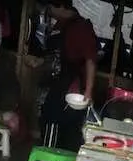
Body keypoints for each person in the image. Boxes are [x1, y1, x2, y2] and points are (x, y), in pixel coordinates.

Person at [40, 0, 97, 151]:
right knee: (48, 120)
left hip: (70, 86)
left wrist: (88, 91)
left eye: (50, 6)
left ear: (60, 5)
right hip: (55, 83)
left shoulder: (81, 28)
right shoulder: (60, 25)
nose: (49, 11)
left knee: (58, 123)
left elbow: (90, 60)